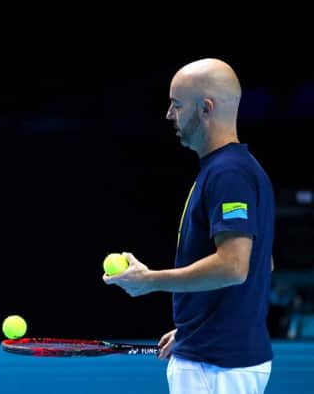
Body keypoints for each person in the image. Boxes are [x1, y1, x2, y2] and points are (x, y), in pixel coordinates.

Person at [103, 58, 274, 394]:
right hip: (214, 355)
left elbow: (235, 267)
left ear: (206, 109)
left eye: (177, 104)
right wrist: (195, 328)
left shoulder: (229, 174)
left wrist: (149, 281)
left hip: (217, 367)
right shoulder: (233, 169)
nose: (169, 115)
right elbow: (261, 264)